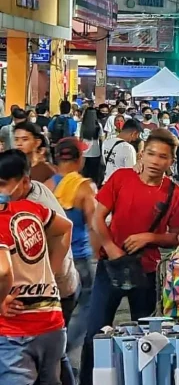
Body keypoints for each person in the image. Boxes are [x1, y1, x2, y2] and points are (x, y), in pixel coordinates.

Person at [81, 129, 179, 385]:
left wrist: (149, 238)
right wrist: (111, 247)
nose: (155, 161)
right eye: (151, 154)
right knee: (95, 332)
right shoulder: (121, 178)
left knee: (147, 336)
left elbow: (176, 236)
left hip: (147, 271)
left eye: (162, 157)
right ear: (141, 154)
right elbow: (97, 217)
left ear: (171, 161)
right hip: (111, 267)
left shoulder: (175, 194)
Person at [0, 150, 74, 384]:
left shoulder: (6, 217)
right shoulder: (33, 208)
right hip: (51, 321)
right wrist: (48, 276)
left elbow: (3, 271)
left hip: (17, 328)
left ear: (23, 182)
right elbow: (66, 227)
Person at [45, 138, 97, 375]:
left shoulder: (45, 186)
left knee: (61, 309)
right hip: (82, 258)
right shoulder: (85, 187)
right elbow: (94, 225)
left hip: (56, 259)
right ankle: (66, 349)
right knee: (87, 306)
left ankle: (56, 351)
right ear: (79, 159)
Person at [101, 119, 142, 184]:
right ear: (134, 133)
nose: (137, 138)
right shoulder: (128, 148)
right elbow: (131, 173)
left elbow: (106, 162)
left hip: (106, 182)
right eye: (138, 135)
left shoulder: (106, 142)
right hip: (119, 185)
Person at [79, 107, 104, 184]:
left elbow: (78, 139)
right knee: (94, 174)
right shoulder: (98, 125)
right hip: (95, 153)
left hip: (83, 153)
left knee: (84, 175)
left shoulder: (81, 125)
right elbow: (102, 139)